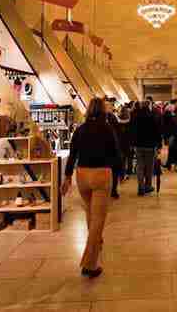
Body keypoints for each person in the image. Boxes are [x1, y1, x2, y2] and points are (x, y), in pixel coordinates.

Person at [62, 97, 121, 279]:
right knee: (98, 219)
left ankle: (97, 240)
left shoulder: (80, 130)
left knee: (90, 211)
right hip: (101, 175)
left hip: (82, 175)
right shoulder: (107, 129)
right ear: (103, 110)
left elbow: (73, 153)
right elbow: (115, 153)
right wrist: (118, 172)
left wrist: (67, 176)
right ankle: (90, 263)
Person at [130, 101, 162, 196]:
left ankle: (140, 187)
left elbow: (132, 131)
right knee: (149, 167)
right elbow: (157, 132)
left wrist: (132, 143)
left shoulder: (135, 117)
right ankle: (148, 186)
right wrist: (159, 145)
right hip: (150, 146)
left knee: (140, 166)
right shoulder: (152, 117)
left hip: (138, 146)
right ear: (149, 106)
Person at [105, 100, 123, 199]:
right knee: (114, 171)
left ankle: (110, 189)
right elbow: (118, 132)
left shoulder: (104, 118)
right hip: (113, 149)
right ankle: (113, 190)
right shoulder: (112, 117)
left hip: (106, 150)